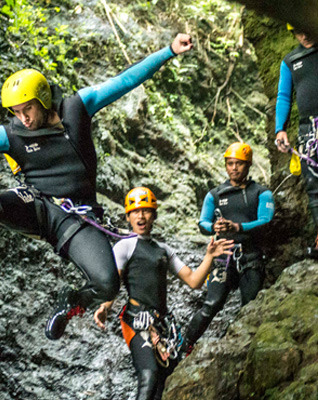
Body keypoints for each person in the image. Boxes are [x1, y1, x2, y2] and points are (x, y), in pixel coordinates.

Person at [0, 34, 194, 340]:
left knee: (107, 283)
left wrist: (169, 50)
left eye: (27, 108)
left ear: (43, 99)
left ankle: (71, 303)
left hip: (78, 218)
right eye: (16, 111)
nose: (23, 118)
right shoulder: (11, 134)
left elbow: (125, 81)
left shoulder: (77, 108)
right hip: (37, 203)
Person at [93, 187, 233, 400]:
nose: (141, 216)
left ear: (154, 216)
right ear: (128, 217)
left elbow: (194, 281)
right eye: (136, 212)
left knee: (164, 381)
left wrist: (209, 256)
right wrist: (104, 306)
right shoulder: (124, 247)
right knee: (148, 375)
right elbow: (113, 282)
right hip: (136, 320)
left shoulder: (163, 250)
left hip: (163, 324)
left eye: (146, 211)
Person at [181, 142, 275, 353]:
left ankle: (246, 350)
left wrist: (237, 226)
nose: (234, 168)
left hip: (251, 256)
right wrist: (214, 226)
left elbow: (266, 220)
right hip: (223, 257)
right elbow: (202, 224)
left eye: (239, 164)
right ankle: (183, 346)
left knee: (250, 307)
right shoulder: (215, 195)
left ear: (248, 165)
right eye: (230, 164)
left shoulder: (262, 193)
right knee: (211, 304)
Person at [274, 23, 318, 256]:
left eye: (307, 29)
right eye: (298, 32)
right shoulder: (290, 60)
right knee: (314, 187)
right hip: (308, 129)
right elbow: (283, 96)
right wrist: (280, 129)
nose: (304, 34)